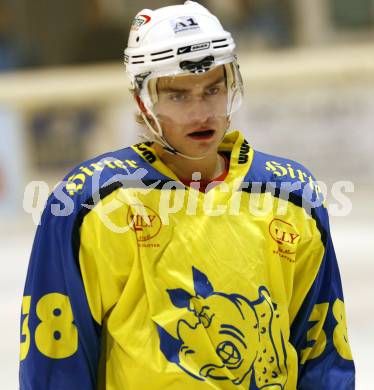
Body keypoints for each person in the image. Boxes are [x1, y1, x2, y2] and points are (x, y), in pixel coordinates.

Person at [19, 1, 355, 389]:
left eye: (213, 89)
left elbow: (324, 354)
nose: (201, 113)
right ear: (141, 100)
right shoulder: (88, 203)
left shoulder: (293, 196)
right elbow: (54, 362)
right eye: (178, 96)